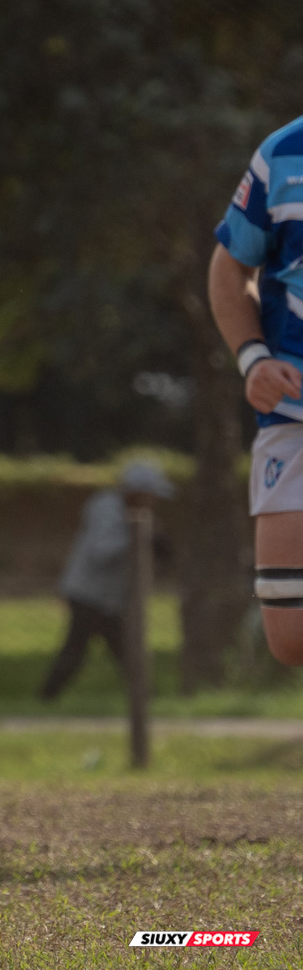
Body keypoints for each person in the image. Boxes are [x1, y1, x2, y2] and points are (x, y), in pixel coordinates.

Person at [211, 114, 303, 667]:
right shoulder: (283, 152)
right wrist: (253, 359)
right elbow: (229, 270)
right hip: (293, 422)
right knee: (290, 637)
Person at [37, 461, 175, 701]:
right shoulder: (106, 508)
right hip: (87, 594)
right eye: (151, 494)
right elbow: (101, 552)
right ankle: (47, 697)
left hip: (109, 598)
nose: (154, 501)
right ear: (136, 491)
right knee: (80, 649)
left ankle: (144, 698)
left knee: (121, 650)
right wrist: (139, 537)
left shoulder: (136, 514)